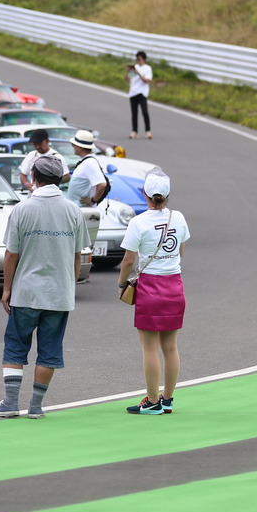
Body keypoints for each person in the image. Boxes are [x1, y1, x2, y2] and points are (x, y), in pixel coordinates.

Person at [0, 151, 85, 419]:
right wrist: (70, 285)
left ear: (34, 177)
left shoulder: (22, 209)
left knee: (16, 346)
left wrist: (7, 289)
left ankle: (9, 403)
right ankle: (36, 406)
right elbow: (78, 255)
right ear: (59, 179)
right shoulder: (73, 211)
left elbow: (11, 254)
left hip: (26, 291)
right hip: (59, 293)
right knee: (49, 350)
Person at [117, 171, 189, 415]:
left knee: (149, 348)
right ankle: (167, 399)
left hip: (150, 287)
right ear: (167, 195)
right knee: (171, 347)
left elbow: (128, 259)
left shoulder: (138, 222)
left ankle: (151, 401)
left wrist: (121, 283)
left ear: (145, 193)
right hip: (174, 286)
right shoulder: (178, 218)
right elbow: (181, 249)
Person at [66, 131, 108, 208]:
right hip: (77, 208)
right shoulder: (86, 162)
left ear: (80, 147)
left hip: (82, 209)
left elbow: (102, 184)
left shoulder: (90, 163)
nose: (73, 147)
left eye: (74, 145)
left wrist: (93, 200)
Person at [126, 50, 153, 139]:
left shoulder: (147, 68)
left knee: (145, 112)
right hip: (133, 92)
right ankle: (134, 131)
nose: (138, 61)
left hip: (142, 93)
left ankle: (148, 131)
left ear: (144, 59)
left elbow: (147, 80)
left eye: (139, 59)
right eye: (137, 59)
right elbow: (127, 79)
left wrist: (139, 74)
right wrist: (128, 72)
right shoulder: (135, 67)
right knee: (134, 113)